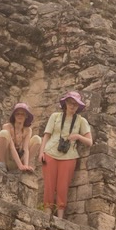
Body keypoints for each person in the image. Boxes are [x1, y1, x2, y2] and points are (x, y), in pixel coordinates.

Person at [40, 90, 92, 218]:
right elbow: (46, 135)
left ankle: (60, 216)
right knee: (49, 185)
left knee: (63, 187)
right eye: (70, 102)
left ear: (78, 106)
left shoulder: (81, 121)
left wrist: (78, 136)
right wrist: (41, 152)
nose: (72, 106)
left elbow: (90, 142)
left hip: (69, 156)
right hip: (51, 152)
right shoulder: (55, 117)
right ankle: (47, 213)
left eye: (75, 104)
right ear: (66, 103)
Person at [0, 102, 41, 172]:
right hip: (7, 158)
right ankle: (2, 163)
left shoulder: (28, 130)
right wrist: (20, 165)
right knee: (3, 133)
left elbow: (25, 149)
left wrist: (25, 165)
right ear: (14, 116)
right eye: (17, 114)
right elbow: (11, 147)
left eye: (22, 114)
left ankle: (24, 167)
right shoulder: (7, 126)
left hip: (17, 160)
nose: (20, 116)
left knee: (37, 139)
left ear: (26, 116)